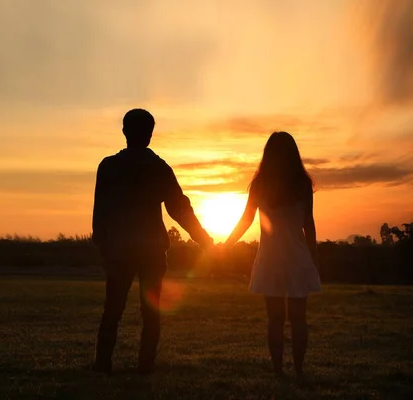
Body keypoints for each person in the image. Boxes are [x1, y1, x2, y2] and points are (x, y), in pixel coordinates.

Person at [91, 108, 214, 375]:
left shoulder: (109, 167)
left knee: (112, 310)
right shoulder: (157, 167)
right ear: (150, 133)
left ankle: (103, 365)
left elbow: (99, 214)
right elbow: (179, 209)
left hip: (120, 249)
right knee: (151, 312)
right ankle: (145, 366)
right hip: (150, 250)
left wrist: (103, 247)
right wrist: (204, 240)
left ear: (125, 131)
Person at [223, 131, 321, 376]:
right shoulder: (302, 184)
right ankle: (298, 370)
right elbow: (308, 223)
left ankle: (278, 371)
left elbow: (246, 220)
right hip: (298, 257)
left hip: (271, 259)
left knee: (275, 320)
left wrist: (227, 245)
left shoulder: (260, 184)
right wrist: (313, 255)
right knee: (299, 319)